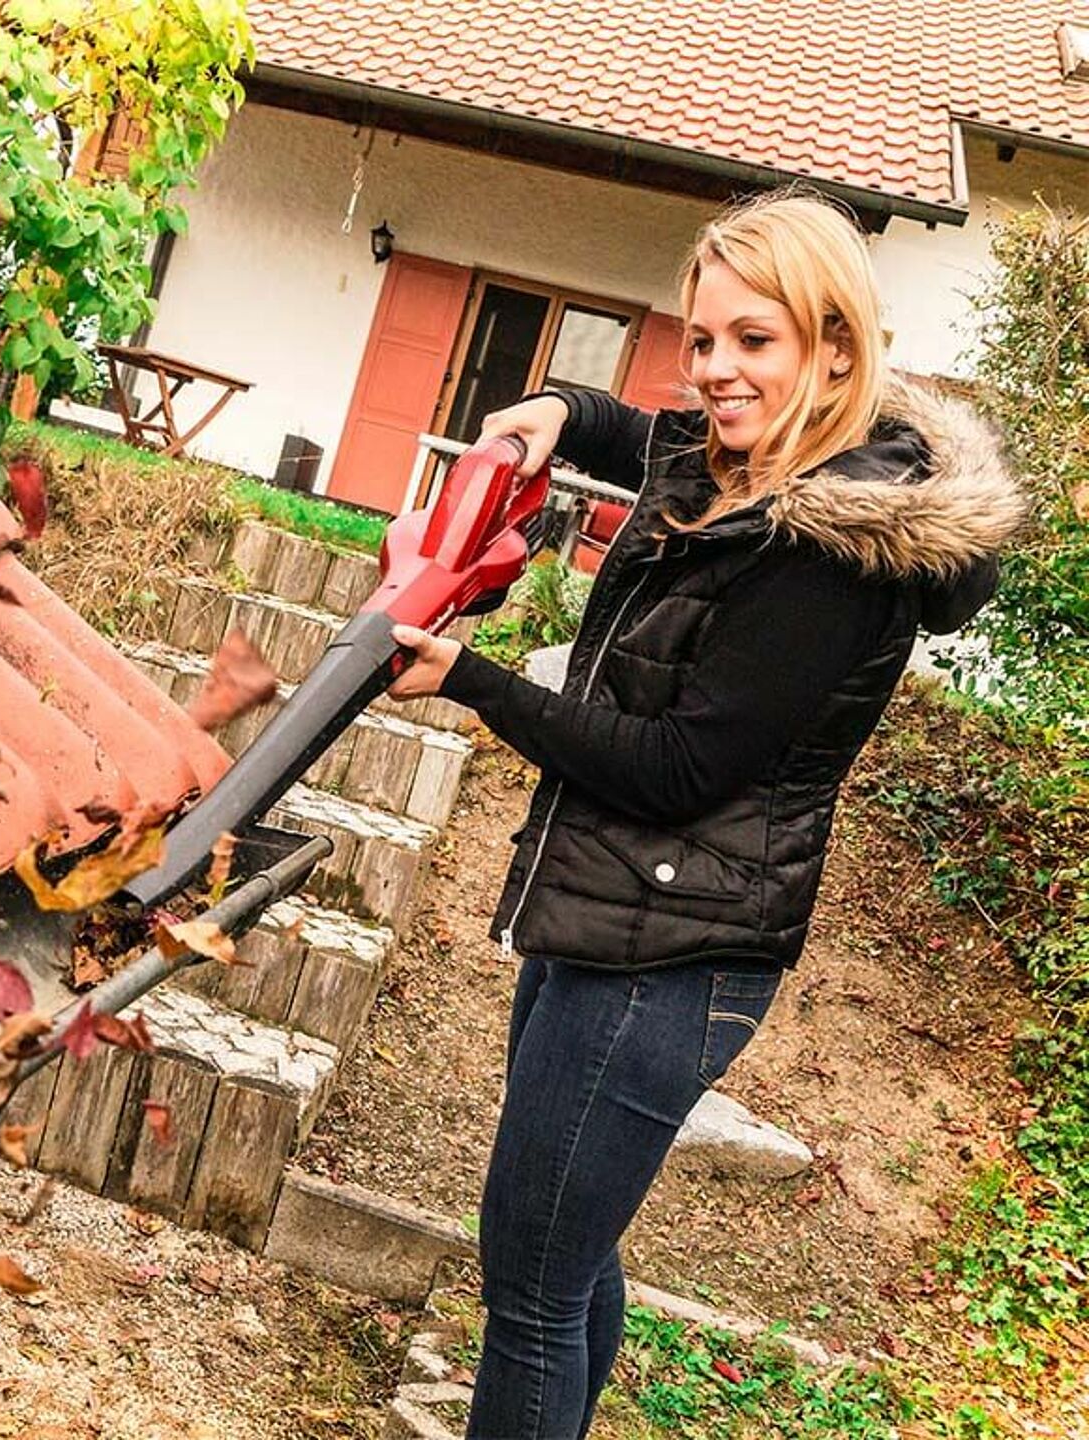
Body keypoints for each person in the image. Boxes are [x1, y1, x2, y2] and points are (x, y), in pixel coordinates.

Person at [385, 190, 1026, 1439]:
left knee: (530, 1286)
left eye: (756, 340)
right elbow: (644, 435)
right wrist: (561, 409)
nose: (719, 370)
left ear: (835, 346)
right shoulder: (748, 463)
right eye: (703, 338)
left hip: (672, 958)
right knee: (570, 1254)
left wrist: (471, 679)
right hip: (615, 918)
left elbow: (680, 770)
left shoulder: (835, 554)